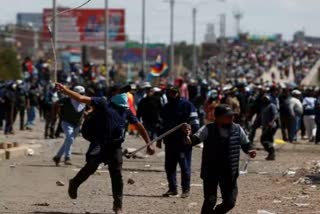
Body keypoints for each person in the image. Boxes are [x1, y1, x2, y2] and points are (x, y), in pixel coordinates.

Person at [55, 82, 154, 214]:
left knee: (117, 175)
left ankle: (118, 206)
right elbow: (80, 98)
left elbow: (139, 125)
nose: (125, 94)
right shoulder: (103, 103)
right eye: (122, 91)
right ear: (114, 93)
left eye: (127, 92)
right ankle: (74, 183)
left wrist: (149, 143)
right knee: (91, 166)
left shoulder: (126, 110)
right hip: (99, 143)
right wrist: (65, 90)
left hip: (115, 146)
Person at [183, 104, 256, 214]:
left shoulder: (237, 128)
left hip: (229, 172)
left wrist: (250, 150)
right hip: (211, 171)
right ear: (217, 117)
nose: (231, 118)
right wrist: (186, 134)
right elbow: (192, 141)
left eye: (232, 116)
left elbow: (246, 144)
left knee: (230, 202)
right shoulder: (208, 129)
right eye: (228, 116)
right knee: (210, 200)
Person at [158, 86, 200, 198]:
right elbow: (161, 125)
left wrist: (189, 132)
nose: (172, 95)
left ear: (178, 93)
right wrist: (159, 138)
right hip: (170, 142)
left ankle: (186, 190)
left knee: (184, 166)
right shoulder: (165, 108)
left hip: (183, 142)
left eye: (174, 93)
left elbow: (195, 123)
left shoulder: (187, 105)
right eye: (170, 93)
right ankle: (172, 189)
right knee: (169, 166)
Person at [53, 86, 86, 166]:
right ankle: (67, 158)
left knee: (69, 141)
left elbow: (91, 108)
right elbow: (56, 104)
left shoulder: (84, 101)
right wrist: (55, 114)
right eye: (79, 94)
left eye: (82, 94)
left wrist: (87, 113)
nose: (80, 96)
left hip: (77, 124)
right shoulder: (67, 100)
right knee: (70, 138)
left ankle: (57, 157)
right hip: (67, 122)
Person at [260, 95, 279, 160]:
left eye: (265, 99)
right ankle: (271, 154)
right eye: (263, 99)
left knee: (265, 140)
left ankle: (271, 153)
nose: (264, 100)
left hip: (270, 126)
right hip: (265, 126)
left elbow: (276, 115)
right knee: (267, 140)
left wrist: (272, 122)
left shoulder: (272, 106)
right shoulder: (264, 107)